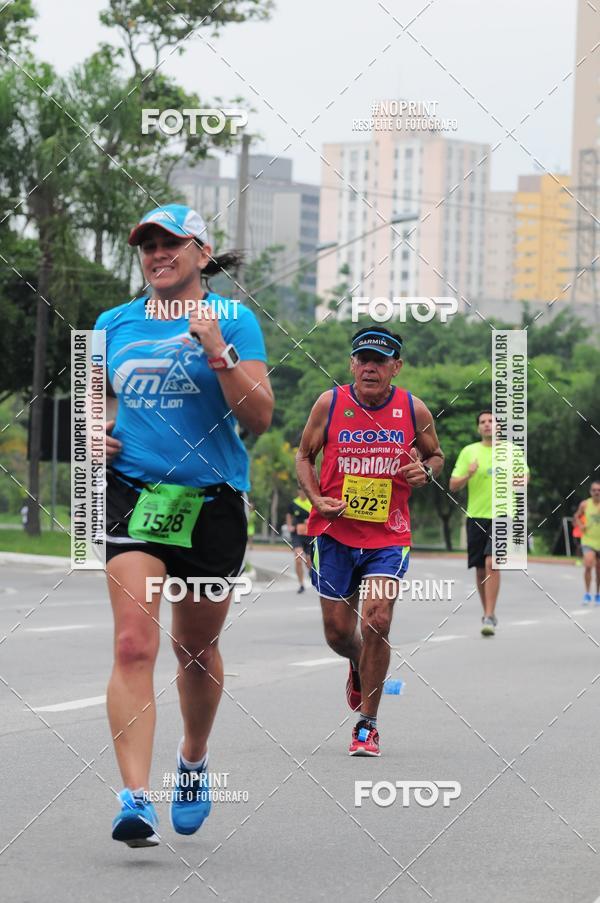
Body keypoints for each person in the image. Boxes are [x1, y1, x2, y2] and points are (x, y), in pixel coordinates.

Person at [95, 204, 273, 847]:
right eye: (147, 245)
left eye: (170, 244)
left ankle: (193, 759)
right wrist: (94, 433)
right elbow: (98, 406)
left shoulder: (234, 320)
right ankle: (134, 797)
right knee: (132, 645)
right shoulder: (111, 324)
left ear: (201, 251)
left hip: (211, 502)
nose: (156, 255)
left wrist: (217, 353)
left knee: (193, 651)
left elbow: (260, 420)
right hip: (134, 495)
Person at [296, 326, 444, 757]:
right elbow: (303, 454)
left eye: (380, 361)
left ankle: (368, 724)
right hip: (334, 533)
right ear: (352, 364)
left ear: (396, 367)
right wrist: (314, 497)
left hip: (388, 535)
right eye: (363, 359)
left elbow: (435, 454)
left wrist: (427, 471)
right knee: (339, 634)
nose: (370, 368)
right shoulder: (331, 402)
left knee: (377, 621)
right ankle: (358, 666)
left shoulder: (413, 409)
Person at [449, 410, 529, 637]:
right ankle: (488, 612)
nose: (487, 425)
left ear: (499, 427)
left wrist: (517, 480)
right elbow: (453, 484)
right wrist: (469, 474)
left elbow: (525, 477)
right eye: (482, 422)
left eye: (491, 421)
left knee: (492, 561)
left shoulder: (512, 451)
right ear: (478, 428)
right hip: (476, 515)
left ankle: (488, 615)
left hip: (504, 514)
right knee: (480, 567)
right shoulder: (469, 452)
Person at [573, 481, 600, 604]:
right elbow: (576, 516)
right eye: (594, 490)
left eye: (599, 490)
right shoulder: (585, 504)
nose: (596, 492)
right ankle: (587, 593)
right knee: (588, 565)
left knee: (598, 569)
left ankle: (597, 594)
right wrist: (580, 525)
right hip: (588, 540)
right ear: (590, 492)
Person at [286, 489, 313, 593]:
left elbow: (318, 516)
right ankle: (301, 584)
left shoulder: (311, 503)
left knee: (309, 560)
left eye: (305, 491)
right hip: (297, 535)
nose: (303, 493)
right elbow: (288, 514)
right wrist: (289, 526)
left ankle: (311, 571)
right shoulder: (294, 503)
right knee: (298, 559)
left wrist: (310, 521)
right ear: (298, 492)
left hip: (309, 535)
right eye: (301, 491)